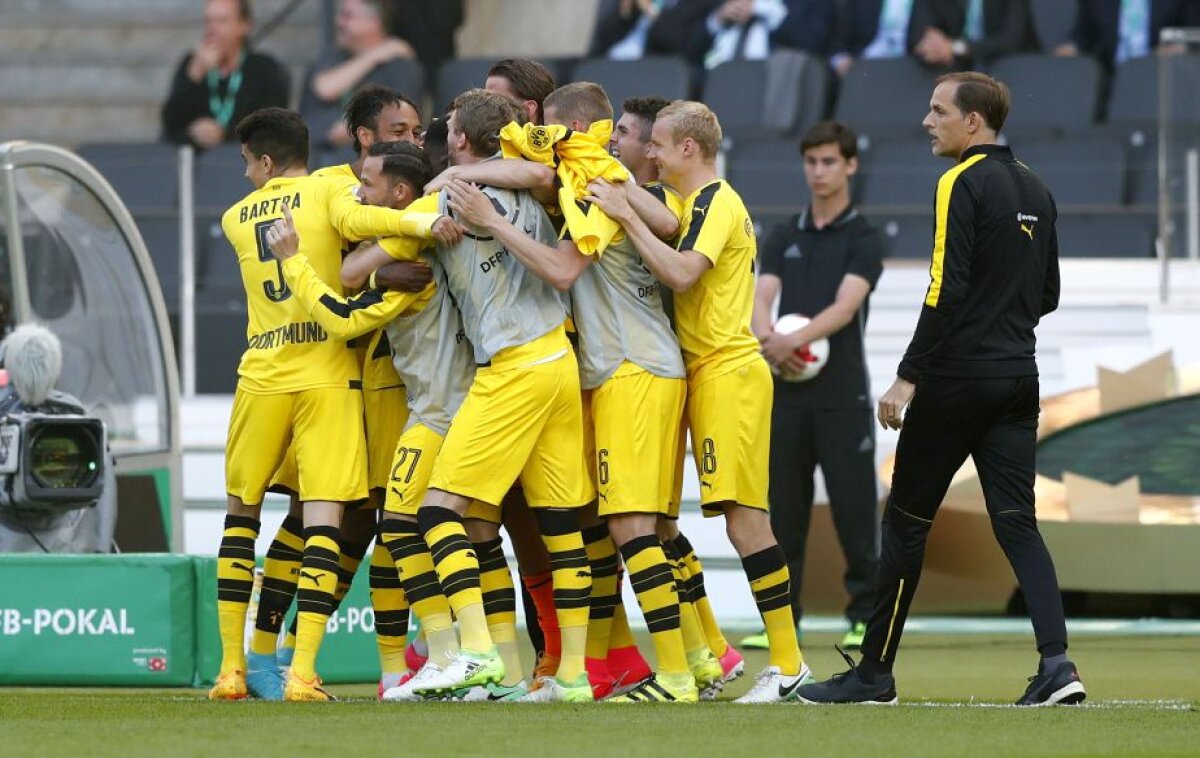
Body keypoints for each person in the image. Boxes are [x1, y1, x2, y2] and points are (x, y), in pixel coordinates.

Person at [796, 72, 1085, 707]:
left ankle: (873, 674)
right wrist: (1000, 326)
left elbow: (943, 289)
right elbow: (1049, 295)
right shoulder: (1037, 185)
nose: (927, 121)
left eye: (938, 111)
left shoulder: (958, 181)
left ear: (972, 122)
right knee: (1018, 524)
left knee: (904, 524)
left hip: (956, 381)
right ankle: (1057, 664)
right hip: (1018, 377)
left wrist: (908, 374)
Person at [443, 82, 705, 703]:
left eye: (547, 133)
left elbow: (564, 267)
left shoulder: (590, 173)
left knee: (633, 528)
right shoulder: (591, 174)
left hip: (633, 368)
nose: (538, 146)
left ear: (565, 131)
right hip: (611, 370)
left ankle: (677, 671)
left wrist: (483, 214)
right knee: (610, 528)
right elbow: (660, 219)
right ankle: (652, 662)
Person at [208, 107, 440, 702]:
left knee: (240, 518)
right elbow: (362, 219)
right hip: (327, 374)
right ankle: (303, 671)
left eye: (245, 165)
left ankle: (232, 668)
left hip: (260, 372)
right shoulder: (330, 188)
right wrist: (425, 221)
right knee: (325, 526)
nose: (244, 176)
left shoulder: (235, 218)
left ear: (263, 161)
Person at [587, 100, 811, 702]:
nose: (650, 154)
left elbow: (683, 273)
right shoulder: (688, 204)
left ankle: (788, 665)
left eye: (657, 144)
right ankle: (717, 655)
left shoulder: (717, 200)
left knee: (746, 523)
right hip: (701, 374)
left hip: (729, 372)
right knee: (686, 523)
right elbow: (649, 211)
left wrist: (623, 215)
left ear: (689, 148)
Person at [392, 89, 596, 702]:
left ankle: (475, 654)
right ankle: (575, 677)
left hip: (514, 366)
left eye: (449, 129)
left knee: (436, 511)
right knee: (560, 527)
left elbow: (363, 264)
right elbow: (540, 170)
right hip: (558, 360)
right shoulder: (537, 186)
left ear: (459, 140)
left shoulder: (451, 196)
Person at [744, 120, 882, 654]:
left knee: (854, 511)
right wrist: (764, 334)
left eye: (829, 161)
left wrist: (789, 340)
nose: (819, 171)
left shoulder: (863, 238)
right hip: (787, 398)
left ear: (850, 165)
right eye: (811, 162)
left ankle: (866, 615)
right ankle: (783, 619)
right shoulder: (784, 235)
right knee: (786, 513)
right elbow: (761, 295)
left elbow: (845, 309)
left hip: (843, 399)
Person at [161, 0, 290, 149]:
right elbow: (169, 125)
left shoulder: (264, 70)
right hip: (193, 163)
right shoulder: (192, 65)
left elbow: (273, 127)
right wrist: (194, 75)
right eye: (209, 21)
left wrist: (226, 134)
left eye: (222, 21)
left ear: (244, 26)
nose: (212, 30)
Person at [301, 0, 421, 151]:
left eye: (347, 16)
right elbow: (325, 88)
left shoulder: (400, 68)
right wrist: (375, 55)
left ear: (374, 23)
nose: (338, 22)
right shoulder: (334, 56)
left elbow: (397, 123)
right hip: (317, 154)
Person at [1054, 0, 1200, 72]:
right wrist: (1070, 47)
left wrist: (1178, 46)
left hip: (1162, 76)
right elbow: (1084, 33)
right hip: (1111, 79)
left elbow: (1191, 32)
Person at [909, 0, 1035, 68]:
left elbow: (1012, 40)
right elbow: (917, 35)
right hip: (951, 74)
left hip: (1009, 73)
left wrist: (954, 47)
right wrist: (933, 43)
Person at [484, 58, 558, 125]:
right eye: (484, 99)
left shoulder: (562, 139)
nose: (485, 108)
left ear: (529, 109)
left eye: (497, 101)